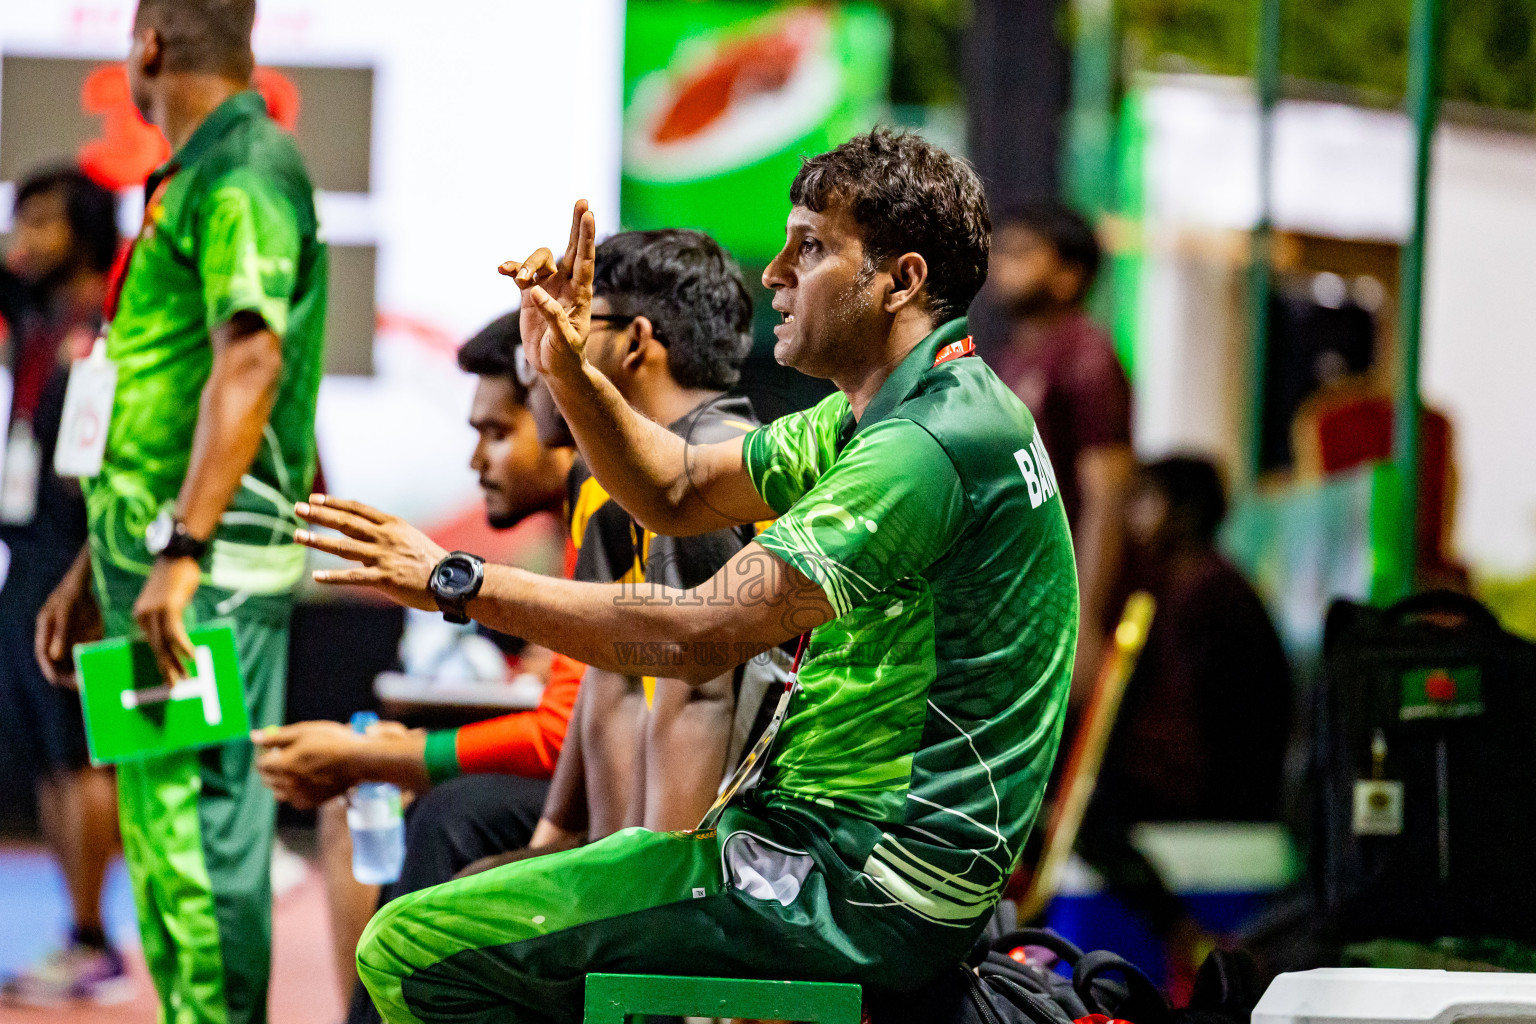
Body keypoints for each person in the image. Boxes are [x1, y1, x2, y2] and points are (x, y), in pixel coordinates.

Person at [293, 128, 1078, 1024]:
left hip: (857, 883)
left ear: (900, 280)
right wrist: (570, 370)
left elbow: (693, 637)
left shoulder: (923, 447)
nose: (775, 272)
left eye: (812, 248)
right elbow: (675, 486)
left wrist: (458, 581)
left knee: (408, 949)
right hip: (837, 851)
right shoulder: (898, 409)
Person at [32, 3, 326, 1021]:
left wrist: (184, 549)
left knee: (200, 835)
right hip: (148, 570)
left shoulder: (245, 169)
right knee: (161, 837)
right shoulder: (195, 173)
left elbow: (251, 358)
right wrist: (93, 569)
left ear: (148, 47)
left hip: (199, 577)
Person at [1076, 455, 1292, 986]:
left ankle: (1183, 934)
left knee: (1088, 816)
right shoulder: (1190, 586)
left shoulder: (1208, 593)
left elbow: (1200, 731)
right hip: (1208, 775)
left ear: (1183, 513)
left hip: (1227, 790)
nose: (1134, 519)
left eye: (1148, 502)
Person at [0, 167, 128, 1007]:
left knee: (87, 749)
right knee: (49, 753)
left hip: (87, 564)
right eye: (20, 218)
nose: (25, 237)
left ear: (86, 230)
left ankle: (95, 941)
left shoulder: (113, 327)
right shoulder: (34, 317)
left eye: (45, 221)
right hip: (28, 555)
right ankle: (72, 933)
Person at [986, 199, 1133, 696]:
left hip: (1056, 604)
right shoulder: (1008, 359)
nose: (1003, 263)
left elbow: (1106, 497)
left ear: (1071, 274)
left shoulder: (1086, 357)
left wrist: (1086, 624)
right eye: (1001, 250)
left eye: (1024, 252)